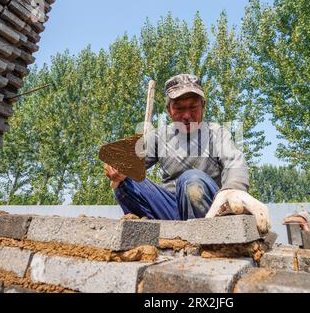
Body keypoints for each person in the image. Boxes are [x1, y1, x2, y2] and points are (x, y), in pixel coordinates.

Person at [104, 74, 270, 233]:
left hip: (207, 213)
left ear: (203, 106)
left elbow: (235, 162)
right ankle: (154, 234)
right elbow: (129, 162)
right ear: (168, 110)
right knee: (126, 182)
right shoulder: (159, 137)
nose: (186, 116)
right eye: (179, 108)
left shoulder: (217, 134)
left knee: (191, 181)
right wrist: (118, 169)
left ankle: (200, 239)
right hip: (170, 210)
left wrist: (235, 188)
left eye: (193, 107)